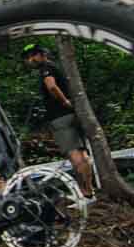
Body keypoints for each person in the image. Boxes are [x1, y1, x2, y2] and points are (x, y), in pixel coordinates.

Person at [24, 45, 95, 197]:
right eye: (28, 57)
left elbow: (52, 87)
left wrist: (64, 102)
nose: (31, 60)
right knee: (81, 153)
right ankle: (88, 190)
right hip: (69, 115)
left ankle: (86, 192)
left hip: (60, 117)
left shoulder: (46, 69)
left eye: (33, 55)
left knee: (75, 155)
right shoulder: (54, 67)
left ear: (43, 54)